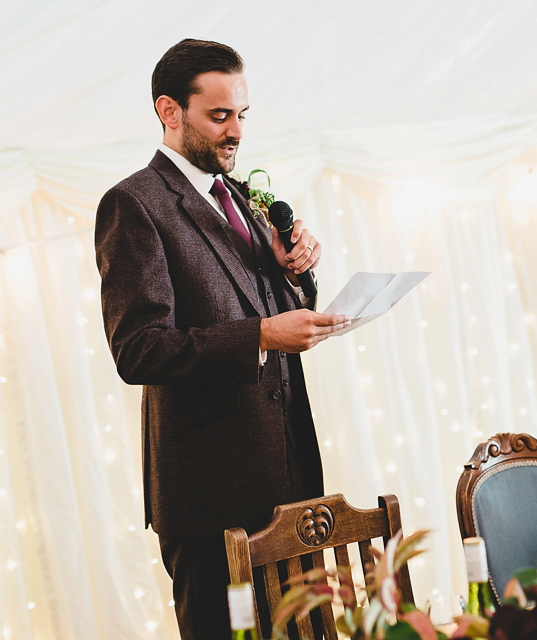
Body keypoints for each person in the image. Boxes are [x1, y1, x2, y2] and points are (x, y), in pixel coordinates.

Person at [95, 39, 350, 640]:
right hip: (210, 499)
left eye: (242, 114)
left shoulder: (240, 196)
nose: (235, 131)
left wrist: (298, 273)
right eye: (219, 116)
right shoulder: (134, 204)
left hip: (289, 482)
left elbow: (286, 312)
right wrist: (261, 334)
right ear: (169, 111)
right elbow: (139, 349)